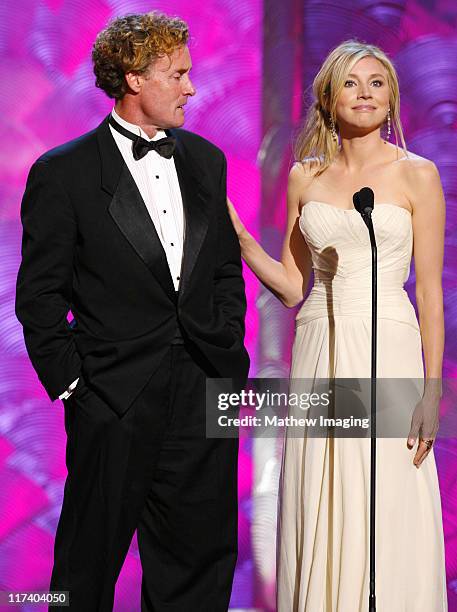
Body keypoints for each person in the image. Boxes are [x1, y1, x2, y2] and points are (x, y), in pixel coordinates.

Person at [15, 11, 249, 612]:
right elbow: (39, 297)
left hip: (203, 386)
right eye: (178, 74)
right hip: (112, 393)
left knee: (199, 560)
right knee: (85, 568)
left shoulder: (206, 160)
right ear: (134, 78)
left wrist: (227, 352)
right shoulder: (63, 173)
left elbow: (224, 270)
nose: (192, 88)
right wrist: (75, 386)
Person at [228, 40, 447, 610]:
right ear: (329, 96)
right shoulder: (306, 177)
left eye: (377, 83)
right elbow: (295, 287)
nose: (366, 93)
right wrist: (245, 241)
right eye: (352, 82)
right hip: (319, 344)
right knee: (322, 488)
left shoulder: (417, 175)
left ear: (392, 97)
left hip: (389, 345)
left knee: (385, 489)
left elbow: (428, 291)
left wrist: (432, 389)